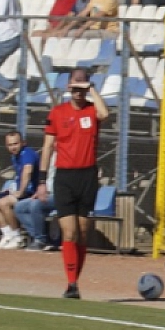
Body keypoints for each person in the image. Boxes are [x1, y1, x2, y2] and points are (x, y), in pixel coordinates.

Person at [40, 68, 107, 298]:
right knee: (69, 232)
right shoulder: (58, 112)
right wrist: (41, 179)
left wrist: (92, 91)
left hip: (87, 176)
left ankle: (75, 279)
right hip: (65, 177)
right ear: (68, 87)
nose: (78, 92)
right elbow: (48, 147)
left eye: (83, 88)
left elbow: (104, 114)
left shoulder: (91, 110)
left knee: (83, 232)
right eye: (75, 87)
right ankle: (71, 284)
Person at [0, 130, 41, 249]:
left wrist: (20, 192)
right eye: (10, 145)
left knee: (4, 202)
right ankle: (8, 234)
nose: (13, 147)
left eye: (15, 144)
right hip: (21, 192)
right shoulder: (15, 157)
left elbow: (28, 171)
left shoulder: (27, 153)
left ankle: (18, 237)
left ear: (23, 143)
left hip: (31, 194)